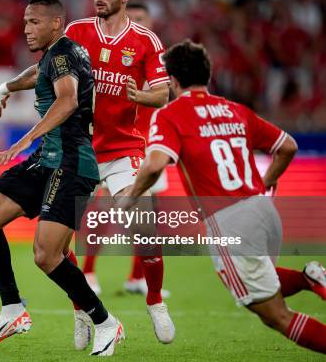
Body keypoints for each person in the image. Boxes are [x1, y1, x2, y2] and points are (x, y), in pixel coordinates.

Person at [0, 0, 175, 349]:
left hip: (123, 149)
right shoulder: (76, 31)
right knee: (58, 246)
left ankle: (155, 300)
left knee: (143, 228)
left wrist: (138, 96)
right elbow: (44, 71)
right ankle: (81, 310)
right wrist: (8, 85)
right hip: (77, 150)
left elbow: (162, 94)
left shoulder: (145, 40)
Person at [127, 39, 326, 354]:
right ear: (207, 75)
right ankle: (309, 278)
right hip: (264, 210)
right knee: (265, 279)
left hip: (230, 221)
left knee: (276, 316)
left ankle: (310, 281)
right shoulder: (235, 109)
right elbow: (287, 146)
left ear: (173, 80)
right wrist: (266, 181)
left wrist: (130, 196)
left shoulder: (171, 114)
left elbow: (154, 164)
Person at [0, 0, 124, 357]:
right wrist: (7, 87)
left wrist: (23, 139)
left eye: (34, 22)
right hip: (48, 158)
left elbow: (67, 100)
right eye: (25, 22)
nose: (26, 29)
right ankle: (12, 310)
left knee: (46, 255)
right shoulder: (60, 55)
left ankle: (105, 322)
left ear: (56, 23)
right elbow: (38, 75)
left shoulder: (64, 53)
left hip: (73, 162)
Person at [80, 0, 172, 299]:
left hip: (149, 142)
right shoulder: (112, 54)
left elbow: (166, 98)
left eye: (141, 18)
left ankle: (137, 277)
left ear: (151, 22)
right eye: (131, 18)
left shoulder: (154, 56)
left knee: (146, 215)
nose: (135, 23)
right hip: (115, 144)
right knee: (105, 208)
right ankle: (89, 271)